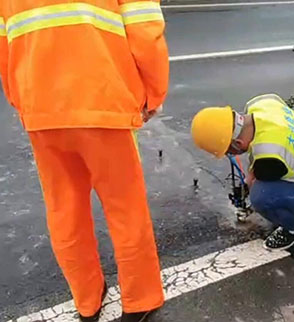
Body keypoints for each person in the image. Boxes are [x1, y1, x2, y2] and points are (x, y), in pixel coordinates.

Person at [0, 1, 169, 321]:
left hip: (41, 108)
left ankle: (87, 300)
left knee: (65, 210)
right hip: (102, 101)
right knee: (125, 206)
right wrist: (153, 93)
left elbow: (5, 46)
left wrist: (24, 102)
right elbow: (145, 30)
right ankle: (140, 299)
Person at [191, 94, 294, 250]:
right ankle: (283, 209)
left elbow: (259, 176)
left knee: (261, 196)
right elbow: (275, 99)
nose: (229, 155)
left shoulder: (269, 154)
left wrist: (249, 184)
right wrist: (250, 177)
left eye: (228, 151)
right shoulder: (260, 105)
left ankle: (293, 230)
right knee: (263, 185)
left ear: (238, 143)